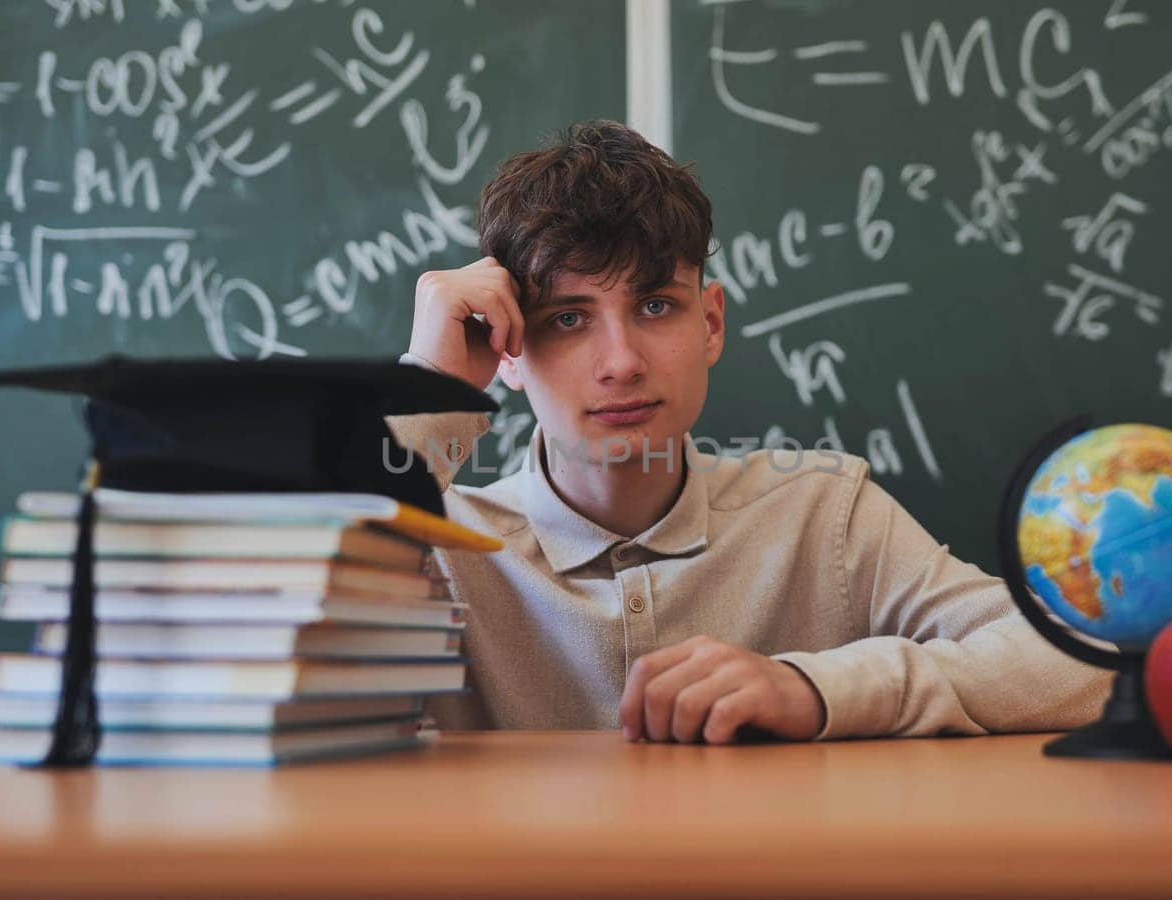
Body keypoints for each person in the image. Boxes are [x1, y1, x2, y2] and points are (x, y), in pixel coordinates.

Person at [387, 119, 1107, 744]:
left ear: (711, 323)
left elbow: (1084, 659)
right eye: (567, 319)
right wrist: (428, 388)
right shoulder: (432, 549)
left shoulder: (825, 516)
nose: (622, 363)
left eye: (657, 306)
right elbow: (275, 640)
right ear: (507, 351)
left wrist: (815, 690)